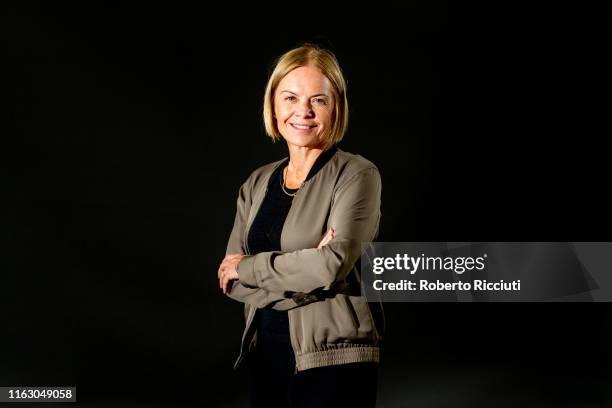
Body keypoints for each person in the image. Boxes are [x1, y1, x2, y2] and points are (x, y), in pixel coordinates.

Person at [217, 43, 385, 408]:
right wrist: (310, 268)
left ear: (336, 106)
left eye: (318, 101)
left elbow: (331, 264)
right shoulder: (257, 182)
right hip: (265, 353)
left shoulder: (356, 175)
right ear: (273, 104)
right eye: (290, 98)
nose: (303, 112)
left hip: (333, 359)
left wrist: (252, 267)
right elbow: (230, 281)